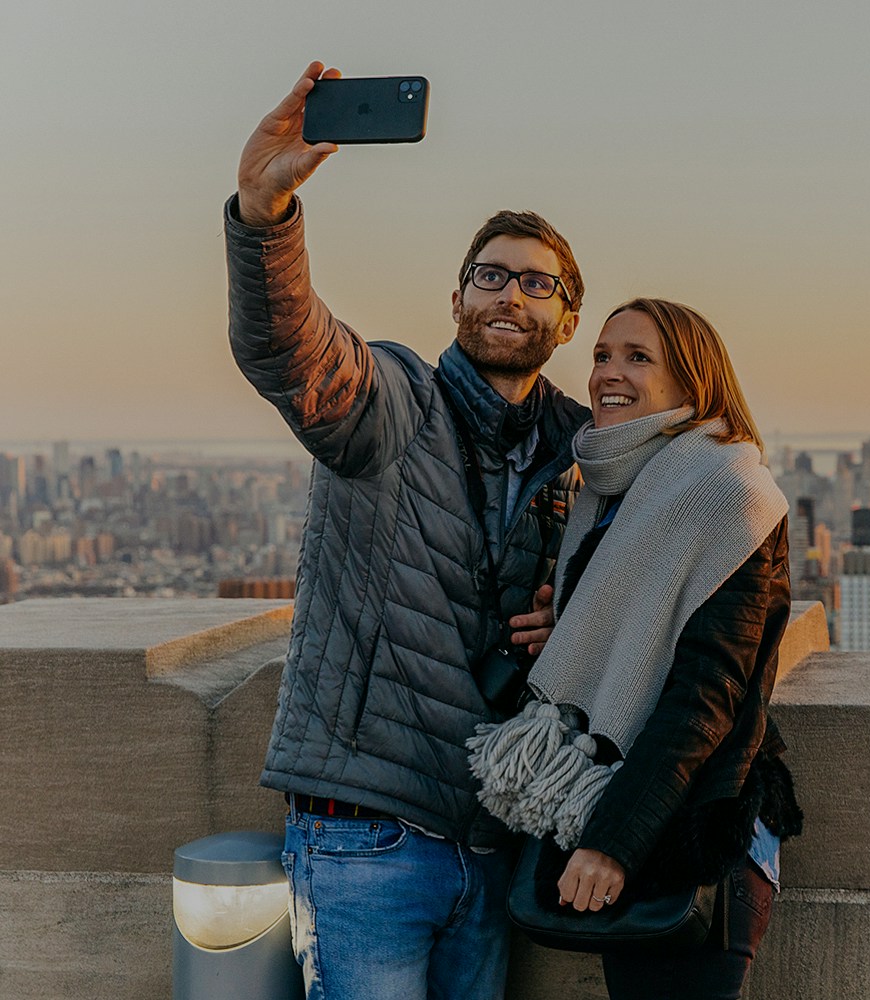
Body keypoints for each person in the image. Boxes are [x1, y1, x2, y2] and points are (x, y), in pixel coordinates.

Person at [225, 61, 586, 1000]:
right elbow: (295, 351)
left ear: (568, 317)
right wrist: (266, 217)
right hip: (365, 834)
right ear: (457, 298)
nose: (511, 295)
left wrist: (575, 622)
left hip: (493, 839)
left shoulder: (585, 453)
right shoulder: (394, 402)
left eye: (536, 284)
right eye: (490, 275)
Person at [472, 298, 804, 999]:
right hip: (633, 808)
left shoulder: (726, 492)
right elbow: (635, 638)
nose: (607, 374)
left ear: (692, 382)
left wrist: (612, 844)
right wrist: (571, 628)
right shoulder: (616, 489)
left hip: (692, 829)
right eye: (600, 355)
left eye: (637, 357)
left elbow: (705, 697)